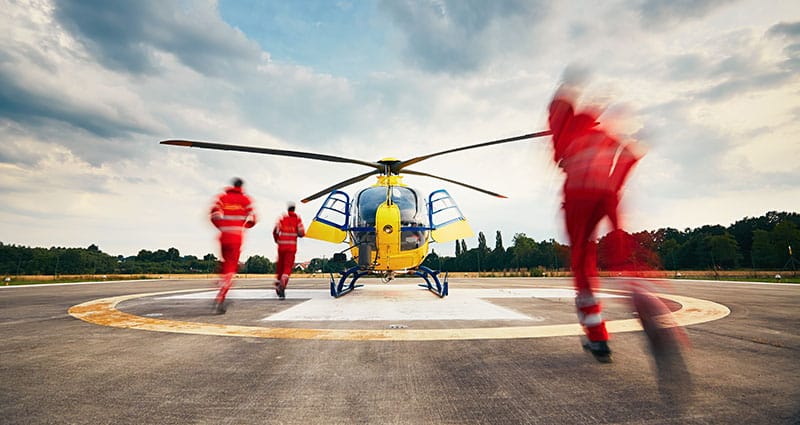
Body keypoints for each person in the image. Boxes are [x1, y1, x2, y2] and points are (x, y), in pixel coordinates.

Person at [548, 86, 641, 363]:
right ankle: (639, 283)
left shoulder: (567, 131)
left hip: (578, 196)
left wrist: (564, 95)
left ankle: (598, 337)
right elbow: (629, 155)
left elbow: (557, 114)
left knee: (582, 263)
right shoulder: (603, 134)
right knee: (620, 250)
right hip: (608, 193)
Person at [210, 178, 257, 314]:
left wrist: (222, 228)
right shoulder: (246, 200)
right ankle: (221, 295)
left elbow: (214, 216)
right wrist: (243, 226)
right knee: (231, 268)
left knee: (225, 264)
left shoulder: (222, 198)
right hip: (236, 238)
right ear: (241, 187)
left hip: (224, 237)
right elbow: (253, 219)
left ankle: (221, 280)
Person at [273, 202, 305, 299]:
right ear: (294, 209)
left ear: (288, 210)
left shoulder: (283, 219)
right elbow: (302, 233)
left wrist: (277, 240)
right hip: (291, 247)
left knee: (280, 268)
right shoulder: (297, 220)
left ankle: (278, 285)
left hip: (281, 246)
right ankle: (282, 284)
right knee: (287, 268)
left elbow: (275, 231)